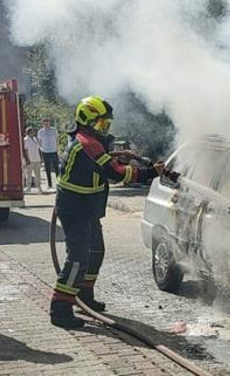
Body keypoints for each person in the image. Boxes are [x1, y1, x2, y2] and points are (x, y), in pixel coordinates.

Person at [49, 96, 166, 329]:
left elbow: (101, 164)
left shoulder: (89, 140)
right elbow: (116, 173)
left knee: (96, 251)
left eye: (106, 125)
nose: (105, 129)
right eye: (102, 124)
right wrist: (150, 172)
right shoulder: (88, 144)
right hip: (75, 207)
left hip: (87, 206)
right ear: (87, 120)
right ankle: (60, 307)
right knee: (78, 258)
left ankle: (84, 295)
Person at [37, 118, 59, 189]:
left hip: (53, 150)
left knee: (56, 168)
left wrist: (57, 149)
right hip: (45, 151)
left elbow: (57, 140)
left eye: (47, 123)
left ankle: (59, 183)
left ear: (49, 123)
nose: (46, 124)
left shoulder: (54, 130)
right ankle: (49, 184)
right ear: (42, 124)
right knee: (47, 168)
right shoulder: (40, 132)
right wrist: (41, 149)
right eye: (44, 123)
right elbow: (40, 142)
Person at [23, 126, 43, 193]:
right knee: (29, 174)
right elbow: (25, 151)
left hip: (37, 159)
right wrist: (27, 160)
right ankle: (28, 188)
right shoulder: (25, 140)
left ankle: (39, 187)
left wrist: (40, 159)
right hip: (30, 160)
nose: (34, 132)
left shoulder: (35, 139)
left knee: (38, 174)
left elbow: (39, 147)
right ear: (29, 132)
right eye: (32, 131)